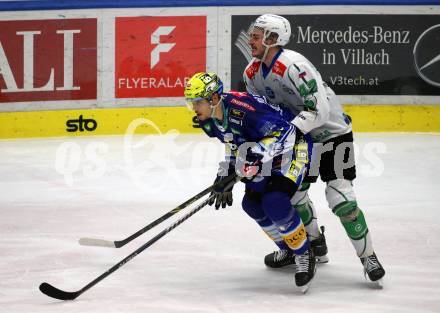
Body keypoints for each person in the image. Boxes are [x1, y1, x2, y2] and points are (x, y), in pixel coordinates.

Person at [242, 14, 385, 285]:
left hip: (332, 135)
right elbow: (260, 113)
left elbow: (318, 111)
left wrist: (283, 135)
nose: (251, 39)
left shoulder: (295, 65)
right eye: (252, 34)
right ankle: (314, 245)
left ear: (272, 39)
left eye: (256, 35)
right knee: (294, 196)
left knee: (342, 198)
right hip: (299, 140)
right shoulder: (251, 73)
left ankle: (368, 257)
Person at [184, 72, 316, 291]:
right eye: (191, 103)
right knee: (252, 204)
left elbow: (287, 132)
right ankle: (289, 250)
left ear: (214, 99)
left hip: (293, 149)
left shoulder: (243, 111)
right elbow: (232, 142)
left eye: (197, 102)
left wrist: (255, 154)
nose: (194, 108)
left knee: (275, 201)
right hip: (265, 153)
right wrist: (224, 174)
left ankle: (304, 253)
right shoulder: (213, 117)